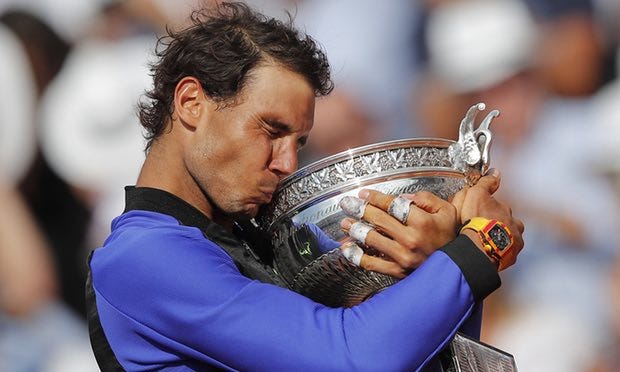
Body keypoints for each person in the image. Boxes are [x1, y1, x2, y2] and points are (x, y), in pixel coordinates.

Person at [86, 2, 524, 371]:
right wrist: (480, 246)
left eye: (298, 142)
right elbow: (348, 359)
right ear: (191, 103)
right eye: (270, 130)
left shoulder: (262, 242)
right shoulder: (141, 256)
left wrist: (433, 257)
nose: (288, 163)